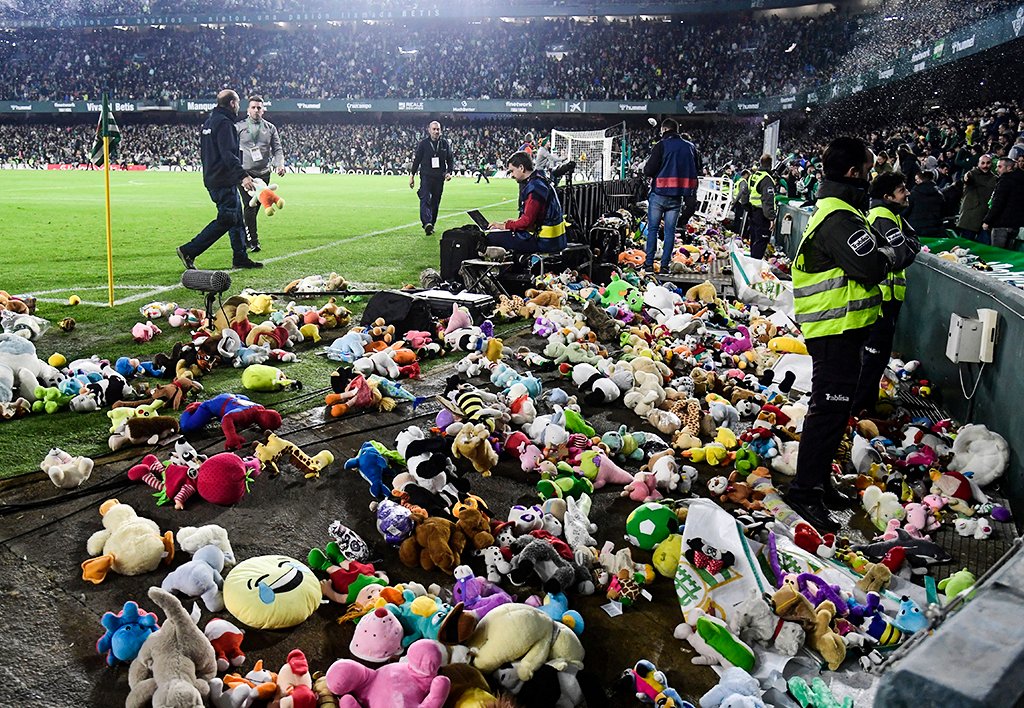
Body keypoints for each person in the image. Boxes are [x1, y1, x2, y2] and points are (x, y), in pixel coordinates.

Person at [786, 136, 919, 532]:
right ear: (853, 172)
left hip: (844, 329)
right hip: (832, 331)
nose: (873, 173)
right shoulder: (837, 218)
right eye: (869, 166)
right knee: (828, 409)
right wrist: (893, 253)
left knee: (837, 409)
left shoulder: (843, 211)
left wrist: (889, 251)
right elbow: (872, 267)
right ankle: (805, 491)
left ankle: (819, 482)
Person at [851, 171, 920, 416]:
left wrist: (909, 244)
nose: (907, 193)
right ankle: (859, 410)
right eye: (902, 190)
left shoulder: (891, 215)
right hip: (882, 299)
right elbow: (904, 253)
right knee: (873, 358)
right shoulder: (883, 217)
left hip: (886, 299)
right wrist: (909, 246)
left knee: (875, 358)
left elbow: (912, 241)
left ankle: (863, 405)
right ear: (887, 196)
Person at [176, 89, 260, 271]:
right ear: (232, 103)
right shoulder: (224, 123)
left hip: (214, 176)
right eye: (237, 103)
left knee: (237, 218)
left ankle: (240, 257)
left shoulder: (209, 122)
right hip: (222, 179)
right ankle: (189, 250)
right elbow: (228, 154)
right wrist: (243, 176)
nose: (238, 106)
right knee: (228, 218)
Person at [642, 118, 699, 272]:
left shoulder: (661, 145)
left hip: (659, 194)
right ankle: (665, 266)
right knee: (670, 232)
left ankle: (648, 264)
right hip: (677, 197)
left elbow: (649, 170)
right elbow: (697, 168)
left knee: (653, 229)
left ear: (664, 130)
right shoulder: (690, 147)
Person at [485, 151, 567, 254]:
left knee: (491, 238)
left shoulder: (535, 188)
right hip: (556, 239)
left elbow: (527, 221)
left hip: (545, 241)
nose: (512, 175)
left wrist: (503, 226)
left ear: (521, 168)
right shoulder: (541, 180)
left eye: (512, 171)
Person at [236, 95, 286, 253]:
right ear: (248, 109)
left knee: (255, 207)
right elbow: (231, 150)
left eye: (259, 107)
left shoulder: (270, 128)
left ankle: (243, 235)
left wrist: (280, 164)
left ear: (263, 110)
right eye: (253, 107)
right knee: (249, 206)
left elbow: (277, 149)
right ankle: (254, 241)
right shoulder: (239, 126)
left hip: (264, 174)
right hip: (245, 174)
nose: (256, 110)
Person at [409, 121, 454, 235]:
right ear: (429, 130)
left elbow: (450, 159)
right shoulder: (423, 144)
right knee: (425, 198)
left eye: (438, 129)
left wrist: (449, 172)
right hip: (426, 176)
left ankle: (431, 224)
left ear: (441, 130)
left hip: (439, 177)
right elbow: (417, 159)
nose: (436, 131)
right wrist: (412, 175)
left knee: (435, 202)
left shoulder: (444, 144)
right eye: (434, 129)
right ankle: (426, 223)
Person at [983, 157, 1024, 249]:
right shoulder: (1021, 181)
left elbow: (998, 203)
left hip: (1001, 225)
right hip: (1015, 226)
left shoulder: (1004, 181)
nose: (997, 169)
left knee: (997, 256)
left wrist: (987, 220)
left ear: (1009, 168)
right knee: (1007, 257)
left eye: (1000, 167)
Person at [956, 154, 996, 242]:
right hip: (970, 219)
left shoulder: (995, 179)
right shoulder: (972, 174)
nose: (985, 166)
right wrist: (966, 178)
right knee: (963, 247)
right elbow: (966, 179)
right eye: (983, 163)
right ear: (978, 164)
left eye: (988, 163)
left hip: (985, 220)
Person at [748, 153, 778, 259]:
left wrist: (747, 209)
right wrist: (771, 217)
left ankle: (751, 264)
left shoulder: (754, 176)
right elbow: (768, 200)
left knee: (754, 239)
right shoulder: (767, 179)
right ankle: (755, 267)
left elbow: (746, 193)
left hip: (753, 212)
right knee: (762, 240)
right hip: (762, 214)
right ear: (770, 164)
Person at [903, 170, 946, 238]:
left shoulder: (914, 194)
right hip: (935, 230)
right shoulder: (939, 195)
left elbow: (906, 211)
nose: (915, 182)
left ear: (920, 180)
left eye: (916, 180)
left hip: (916, 229)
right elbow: (943, 212)